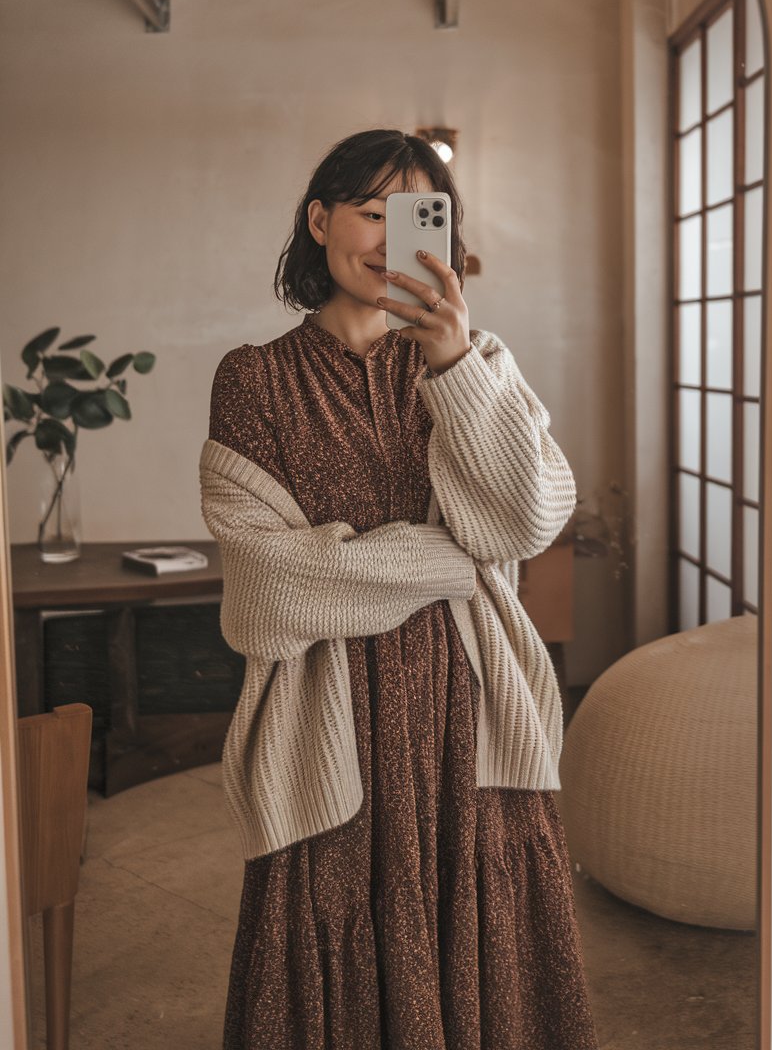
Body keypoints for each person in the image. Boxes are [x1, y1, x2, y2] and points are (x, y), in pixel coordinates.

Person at [207, 128, 599, 1049]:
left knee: (485, 945)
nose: (389, 238)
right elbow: (270, 592)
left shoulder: (473, 360)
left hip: (473, 717)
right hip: (326, 724)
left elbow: (530, 519)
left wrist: (455, 367)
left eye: (417, 216)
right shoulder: (253, 381)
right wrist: (451, 561)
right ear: (319, 221)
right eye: (370, 211)